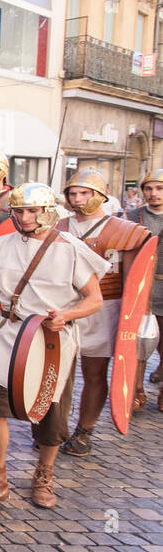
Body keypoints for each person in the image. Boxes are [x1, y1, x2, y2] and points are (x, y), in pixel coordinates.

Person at [0, 184, 107, 509]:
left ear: (47, 211)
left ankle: (44, 474)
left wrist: (66, 315)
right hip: (9, 335)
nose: (23, 217)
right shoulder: (1, 246)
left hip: (51, 340)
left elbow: (95, 299)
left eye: (30, 211)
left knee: (50, 412)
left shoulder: (71, 249)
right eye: (19, 211)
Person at [54, 169, 152, 456]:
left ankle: (84, 431)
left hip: (105, 306)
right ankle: (53, 428)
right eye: (72, 193)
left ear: (99, 195)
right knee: (56, 372)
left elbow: (133, 279)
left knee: (94, 373)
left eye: (84, 193)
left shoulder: (123, 230)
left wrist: (133, 318)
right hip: (62, 306)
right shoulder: (58, 226)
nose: (77, 199)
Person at [126, 168, 163, 409]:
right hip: (140, 290)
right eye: (148, 188)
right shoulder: (131, 216)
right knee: (137, 345)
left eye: (159, 188)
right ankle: (136, 391)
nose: (153, 193)